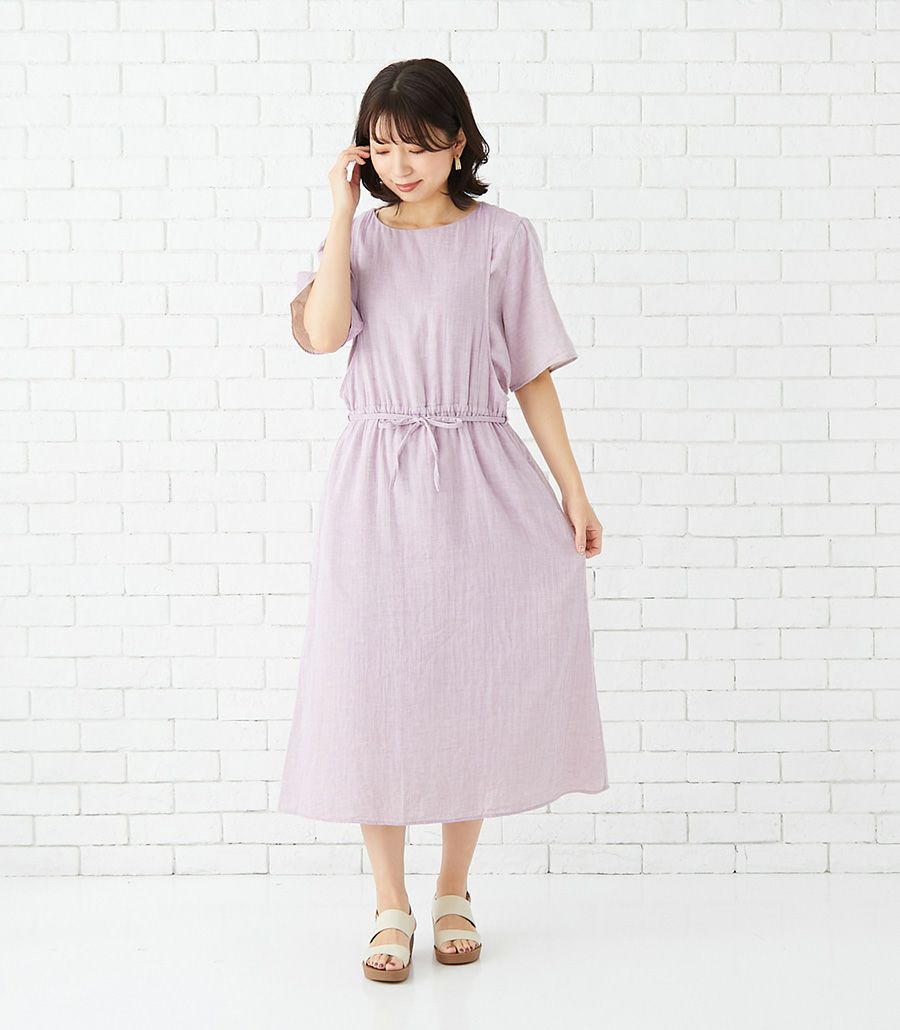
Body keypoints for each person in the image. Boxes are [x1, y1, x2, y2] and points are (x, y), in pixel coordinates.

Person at [277, 59, 609, 983]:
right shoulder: (357, 239)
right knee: (370, 684)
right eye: (382, 147)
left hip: (478, 474)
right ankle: (389, 903)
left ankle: (454, 889)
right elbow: (323, 336)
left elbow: (529, 371)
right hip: (375, 484)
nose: (401, 164)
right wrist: (340, 215)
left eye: (419, 145)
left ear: (458, 142)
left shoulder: (504, 238)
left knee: (475, 677)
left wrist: (573, 490)